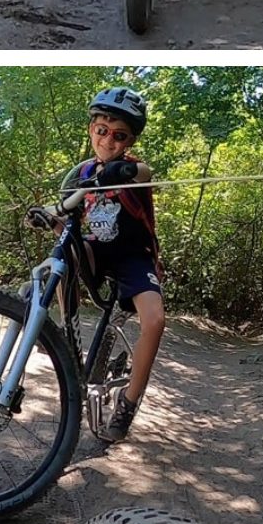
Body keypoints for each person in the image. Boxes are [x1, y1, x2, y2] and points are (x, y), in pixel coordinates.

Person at [24, 86, 161, 443]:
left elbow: (142, 174)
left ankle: (128, 404)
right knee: (61, 254)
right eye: (102, 131)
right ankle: (67, 341)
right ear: (91, 131)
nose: (108, 141)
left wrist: (114, 173)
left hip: (133, 256)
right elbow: (66, 218)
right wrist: (47, 216)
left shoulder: (133, 168)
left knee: (155, 321)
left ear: (129, 140)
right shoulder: (82, 172)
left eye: (119, 136)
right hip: (96, 250)